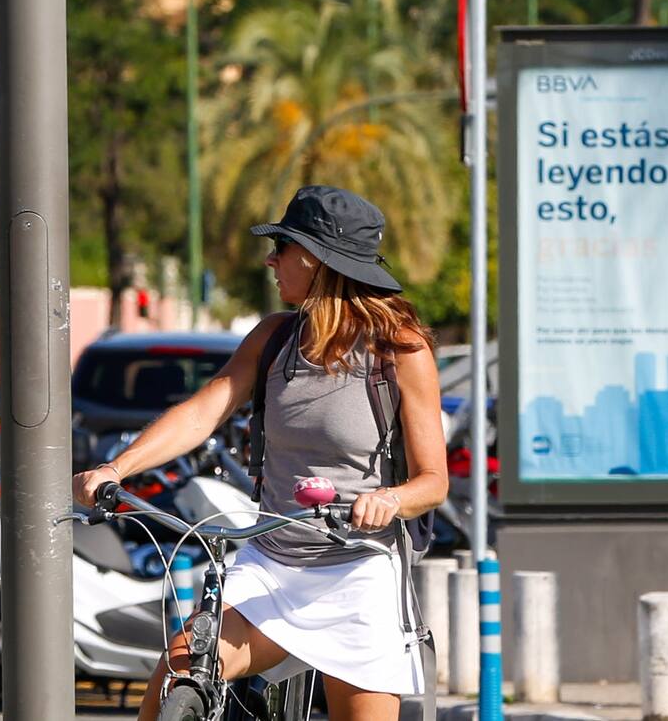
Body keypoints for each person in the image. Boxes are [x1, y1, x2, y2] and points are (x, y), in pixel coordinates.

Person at [73, 184, 447, 721]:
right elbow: (204, 412)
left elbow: (434, 481)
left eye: (283, 248)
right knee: (182, 666)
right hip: (271, 562)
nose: (271, 260)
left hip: (359, 571)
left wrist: (389, 499)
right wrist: (116, 467)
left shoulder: (399, 350)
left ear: (317, 262)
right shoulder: (273, 338)